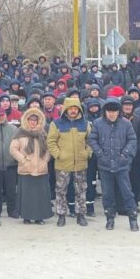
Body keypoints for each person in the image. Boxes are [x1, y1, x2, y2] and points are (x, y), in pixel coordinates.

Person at [88, 98, 139, 231]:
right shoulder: (98, 124)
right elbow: (92, 139)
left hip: (122, 165)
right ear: (105, 112)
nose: (112, 114)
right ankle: (110, 218)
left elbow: (132, 139)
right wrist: (99, 153)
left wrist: (125, 153)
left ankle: (133, 219)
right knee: (107, 194)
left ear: (118, 112)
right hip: (104, 165)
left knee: (127, 192)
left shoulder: (126, 124)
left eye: (114, 111)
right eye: (109, 111)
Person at [47, 96, 92, 227]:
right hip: (62, 163)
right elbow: (51, 141)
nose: (73, 111)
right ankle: (61, 215)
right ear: (65, 109)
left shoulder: (85, 124)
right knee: (61, 190)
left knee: (81, 190)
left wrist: (87, 153)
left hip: (81, 163)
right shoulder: (56, 124)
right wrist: (58, 155)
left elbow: (90, 141)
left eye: (75, 108)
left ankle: (81, 215)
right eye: (70, 108)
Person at [9, 108, 53, 224]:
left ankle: (39, 217)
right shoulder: (20, 133)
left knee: (40, 195)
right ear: (26, 120)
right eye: (30, 119)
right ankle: (26, 217)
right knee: (26, 195)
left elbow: (49, 149)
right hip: (26, 169)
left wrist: (45, 160)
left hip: (41, 168)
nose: (33, 122)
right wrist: (23, 160)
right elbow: (13, 149)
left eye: (35, 120)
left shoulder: (43, 133)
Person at [0, 107, 19, 220]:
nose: (1, 117)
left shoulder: (13, 129)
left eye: (2, 115)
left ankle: (11, 210)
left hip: (11, 164)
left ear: (6, 115)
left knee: (11, 190)